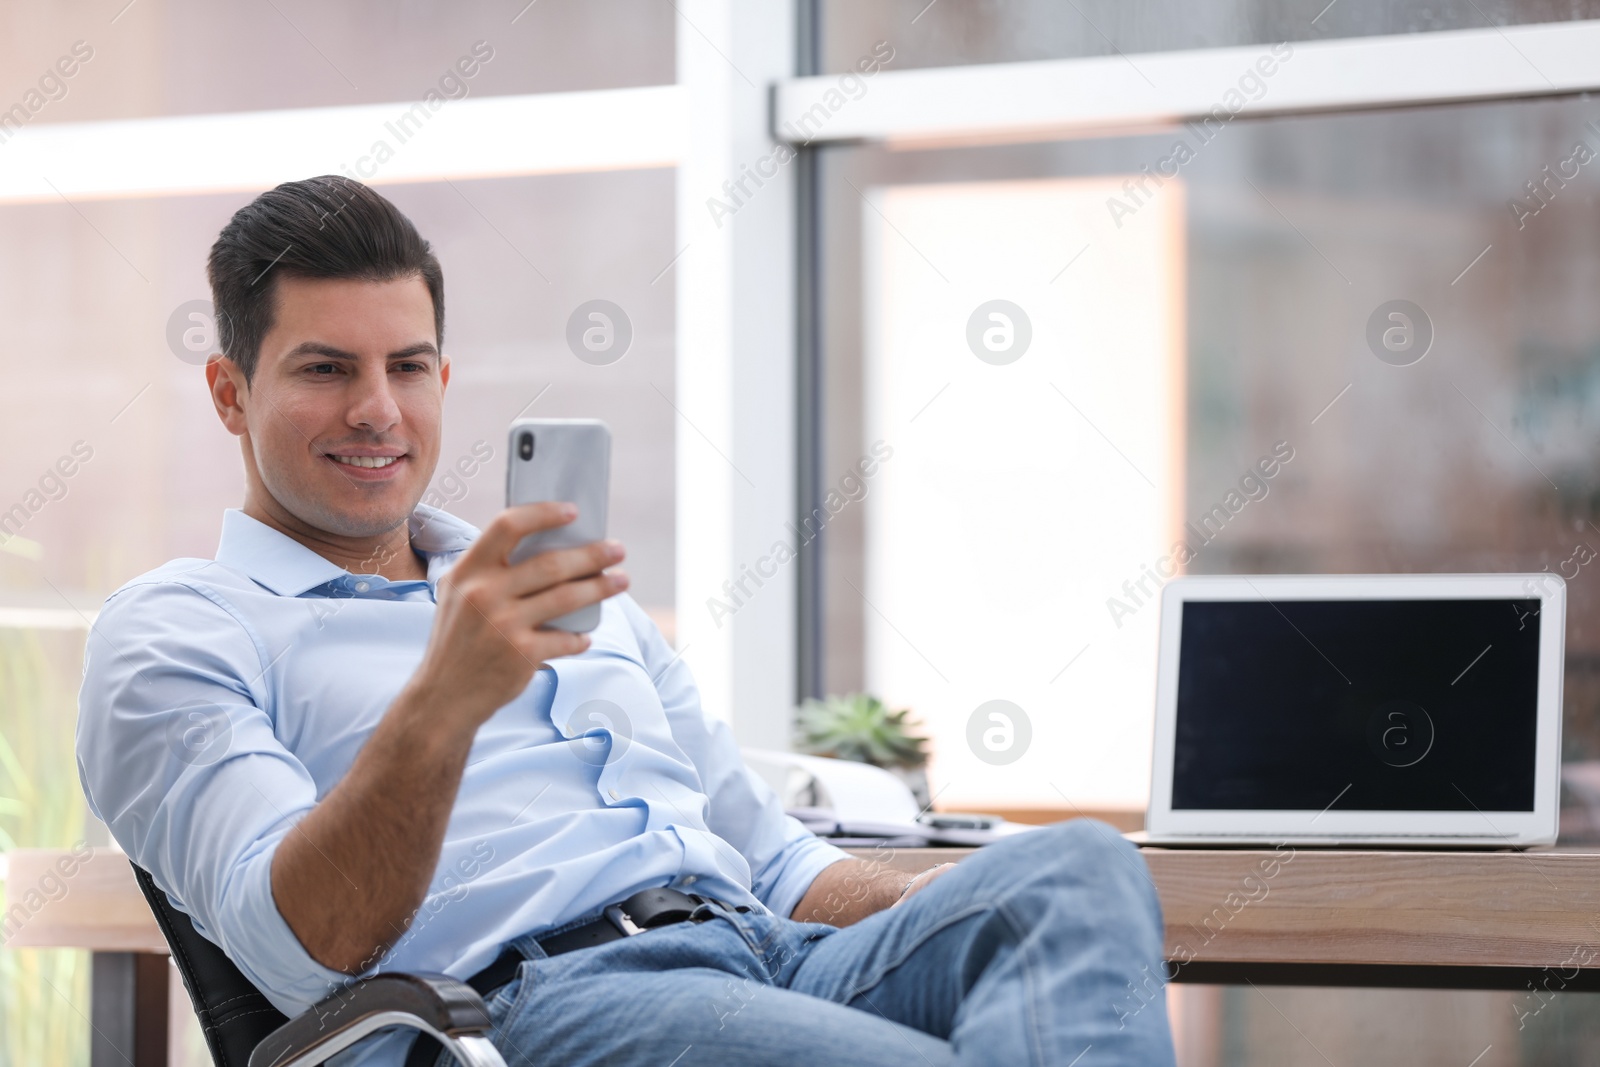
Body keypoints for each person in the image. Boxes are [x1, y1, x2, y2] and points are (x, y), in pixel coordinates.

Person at [75, 175, 1175, 1067]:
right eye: (325, 368)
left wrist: (944, 914)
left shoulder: (552, 581)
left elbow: (774, 856)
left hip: (761, 950)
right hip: (523, 1007)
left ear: (444, 377)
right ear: (229, 392)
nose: (377, 408)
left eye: (406, 366)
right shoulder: (177, 631)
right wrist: (444, 700)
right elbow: (302, 945)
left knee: (1074, 872)